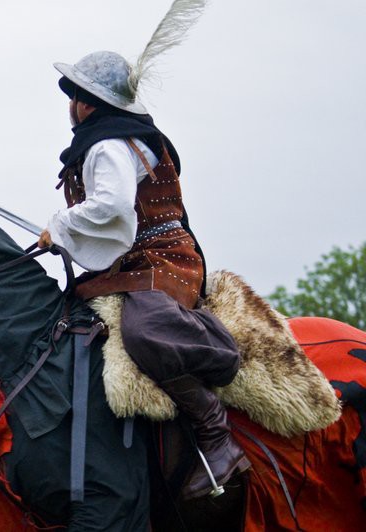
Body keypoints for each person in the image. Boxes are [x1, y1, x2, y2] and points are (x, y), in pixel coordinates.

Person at [39, 47, 250, 499]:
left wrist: (58, 226)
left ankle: (216, 435)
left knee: (146, 330)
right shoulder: (109, 139)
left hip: (164, 262)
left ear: (85, 102)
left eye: (73, 96)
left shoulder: (108, 144)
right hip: (129, 265)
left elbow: (112, 209)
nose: (70, 107)